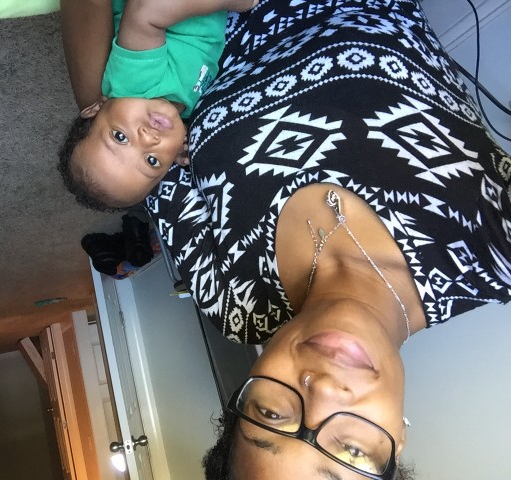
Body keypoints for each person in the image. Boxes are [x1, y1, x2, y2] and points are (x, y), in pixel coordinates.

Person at [135, 0, 511, 479]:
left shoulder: (233, 302)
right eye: (350, 450)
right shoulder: (492, 253)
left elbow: (133, 135)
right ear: (396, 443)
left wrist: (143, 27)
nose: (323, 389)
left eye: (271, 415)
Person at [58, 0, 257, 211]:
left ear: (96, 108)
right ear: (177, 158)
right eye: (152, 161)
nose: (147, 138)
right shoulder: (184, 110)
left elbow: (145, 11)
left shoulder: (132, 83)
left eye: (120, 137)